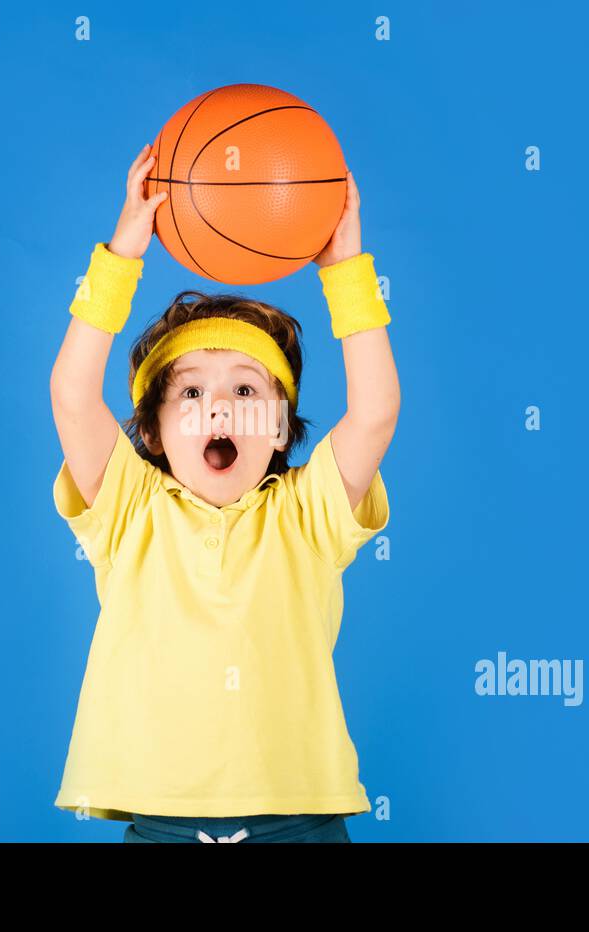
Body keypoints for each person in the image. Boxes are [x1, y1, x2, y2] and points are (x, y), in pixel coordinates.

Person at [49, 143, 399, 843]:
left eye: (247, 389)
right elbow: (70, 392)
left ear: (279, 430)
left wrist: (345, 274)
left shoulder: (309, 514)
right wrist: (122, 256)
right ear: (149, 433)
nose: (220, 408)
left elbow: (376, 412)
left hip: (300, 818)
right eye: (191, 391)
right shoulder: (129, 511)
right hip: (162, 822)